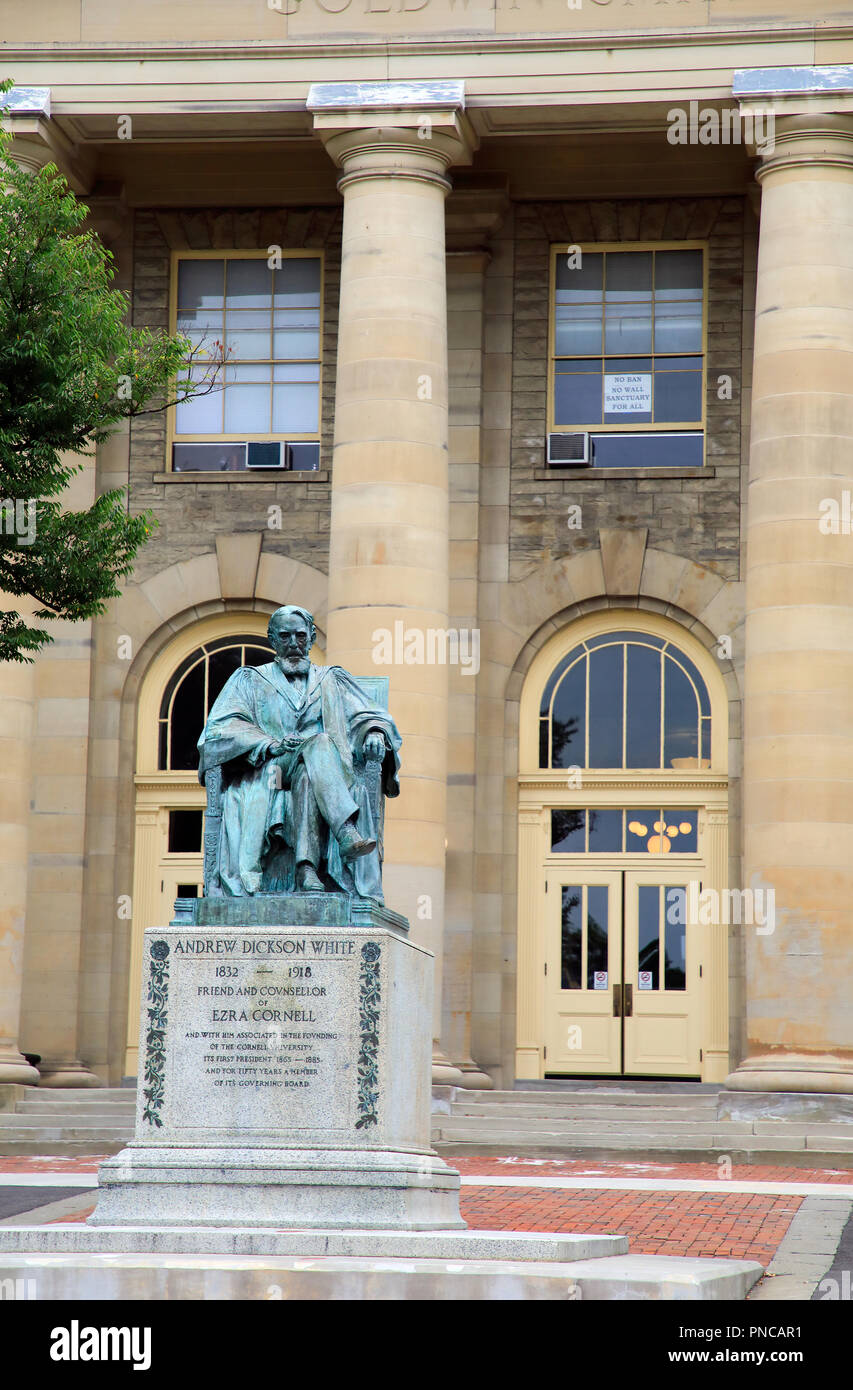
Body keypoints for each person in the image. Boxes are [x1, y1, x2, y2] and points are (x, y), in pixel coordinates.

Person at [197, 605, 401, 899]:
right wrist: (270, 743)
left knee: (311, 763)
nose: (293, 644)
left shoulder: (333, 679)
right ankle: (346, 830)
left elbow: (369, 716)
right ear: (272, 640)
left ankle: (306, 869)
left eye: (300, 636)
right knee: (316, 745)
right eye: (285, 636)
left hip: (320, 771)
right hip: (273, 770)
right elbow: (218, 731)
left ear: (312, 637)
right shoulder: (249, 680)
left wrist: (376, 733)